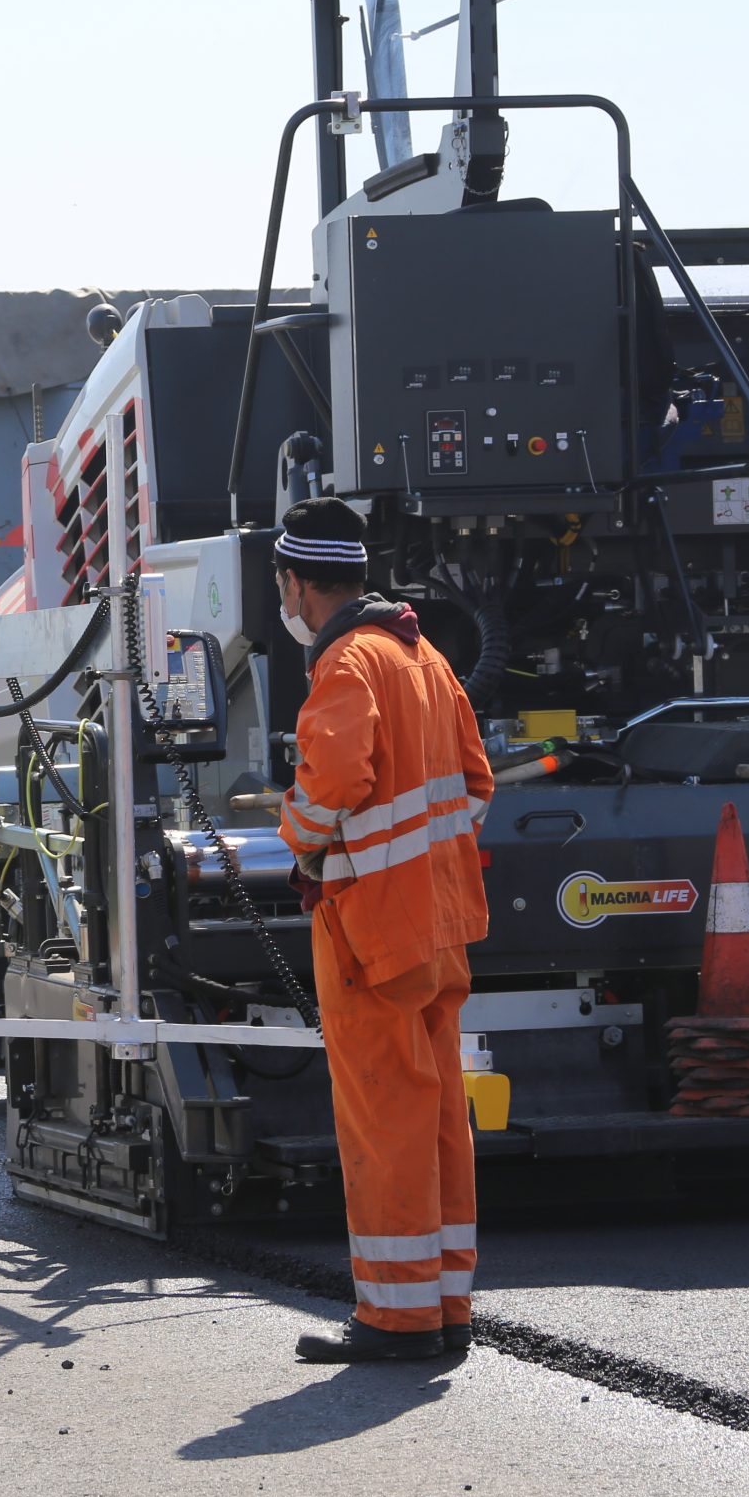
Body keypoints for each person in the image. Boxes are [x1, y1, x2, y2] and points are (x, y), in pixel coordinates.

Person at [273, 498, 496, 1365]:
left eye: (284, 586)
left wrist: (302, 841)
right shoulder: (423, 654)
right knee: (438, 1116)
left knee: (384, 1120)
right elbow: (475, 784)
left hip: (371, 934)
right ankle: (446, 1306)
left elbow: (332, 780)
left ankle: (398, 1319)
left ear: (299, 583)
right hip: (439, 929)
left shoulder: (347, 663)